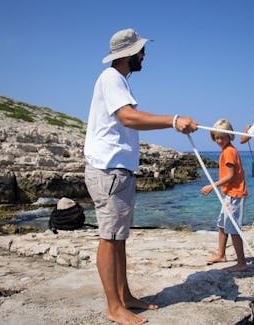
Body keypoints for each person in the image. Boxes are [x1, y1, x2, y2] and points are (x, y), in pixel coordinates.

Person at [84, 28, 197, 325]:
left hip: (116, 172)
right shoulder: (111, 79)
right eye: (141, 51)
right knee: (109, 238)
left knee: (119, 238)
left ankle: (125, 297)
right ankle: (114, 307)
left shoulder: (117, 81)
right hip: (108, 171)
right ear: (129, 54)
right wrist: (173, 121)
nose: (144, 55)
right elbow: (129, 117)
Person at [200, 119, 248, 273]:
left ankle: (242, 263)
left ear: (230, 136)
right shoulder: (227, 150)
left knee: (233, 228)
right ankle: (221, 255)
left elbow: (230, 175)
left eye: (223, 137)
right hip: (228, 195)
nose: (219, 140)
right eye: (217, 137)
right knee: (222, 224)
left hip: (235, 195)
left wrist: (212, 186)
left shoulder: (229, 152)